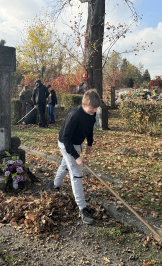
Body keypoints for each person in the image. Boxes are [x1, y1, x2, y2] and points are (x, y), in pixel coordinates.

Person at [49, 89, 101, 225]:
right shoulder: (74, 115)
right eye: (91, 110)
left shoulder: (92, 113)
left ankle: (54, 185)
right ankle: (82, 209)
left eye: (96, 109)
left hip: (77, 143)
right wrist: (77, 156)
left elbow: (90, 128)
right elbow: (66, 139)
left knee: (65, 166)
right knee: (76, 173)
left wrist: (90, 143)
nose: (94, 112)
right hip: (66, 144)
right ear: (84, 105)